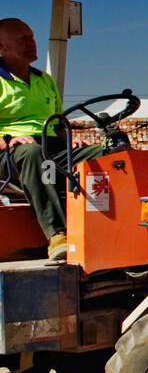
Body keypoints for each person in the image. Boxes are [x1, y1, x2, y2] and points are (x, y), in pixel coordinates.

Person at [0, 18, 105, 260]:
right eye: (22, 39)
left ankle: (114, 228)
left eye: (32, 37)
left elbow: (57, 125)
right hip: (9, 152)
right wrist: (8, 141)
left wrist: (70, 143)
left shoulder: (44, 80)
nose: (31, 43)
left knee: (105, 154)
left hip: (49, 146)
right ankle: (57, 235)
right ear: (2, 47)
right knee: (33, 153)